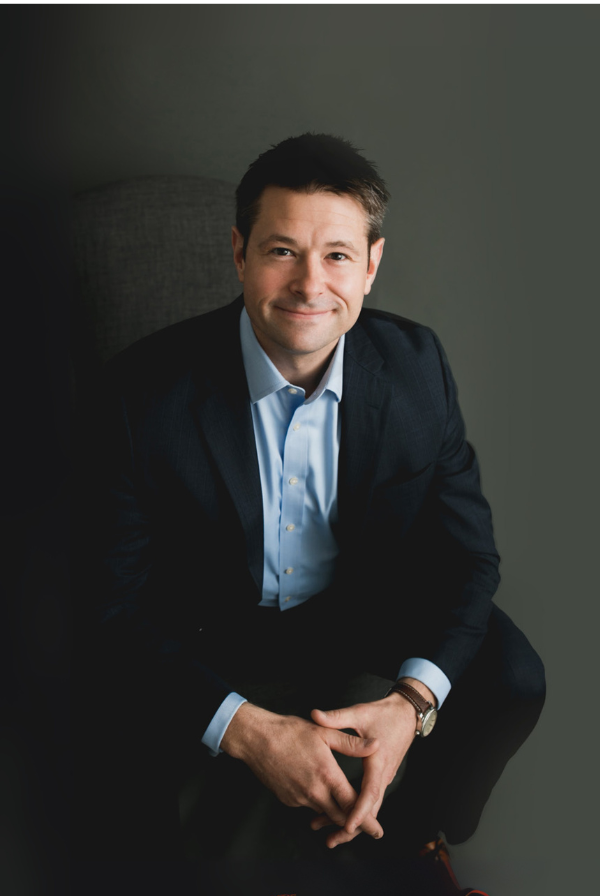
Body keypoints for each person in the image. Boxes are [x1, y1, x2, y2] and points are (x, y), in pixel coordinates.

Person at [74, 134, 545, 894]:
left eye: (335, 255)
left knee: (513, 676)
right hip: (214, 627)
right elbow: (110, 606)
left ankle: (420, 829)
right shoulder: (140, 397)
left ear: (371, 264)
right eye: (282, 251)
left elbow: (468, 560)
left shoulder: (418, 367)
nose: (308, 284)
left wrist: (410, 705)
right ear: (237, 253)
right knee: (223, 842)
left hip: (361, 609)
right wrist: (249, 732)